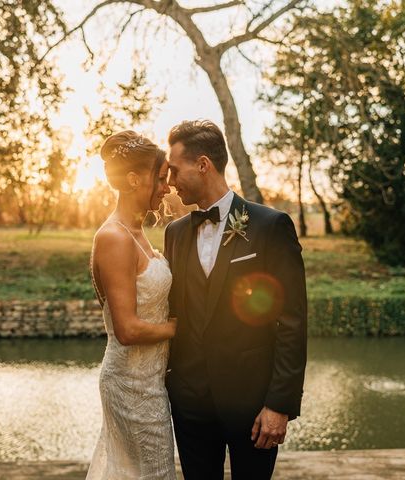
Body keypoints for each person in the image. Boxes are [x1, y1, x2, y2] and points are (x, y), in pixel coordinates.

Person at [164, 120, 308, 480]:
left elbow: (291, 321)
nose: (169, 181)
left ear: (202, 164)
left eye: (174, 170)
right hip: (190, 407)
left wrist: (279, 405)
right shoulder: (174, 233)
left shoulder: (270, 226)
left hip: (254, 407)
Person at [86, 131, 177, 479]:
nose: (166, 187)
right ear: (135, 179)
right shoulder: (113, 238)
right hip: (130, 384)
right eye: (161, 178)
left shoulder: (138, 233)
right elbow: (127, 329)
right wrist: (186, 328)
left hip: (151, 381)